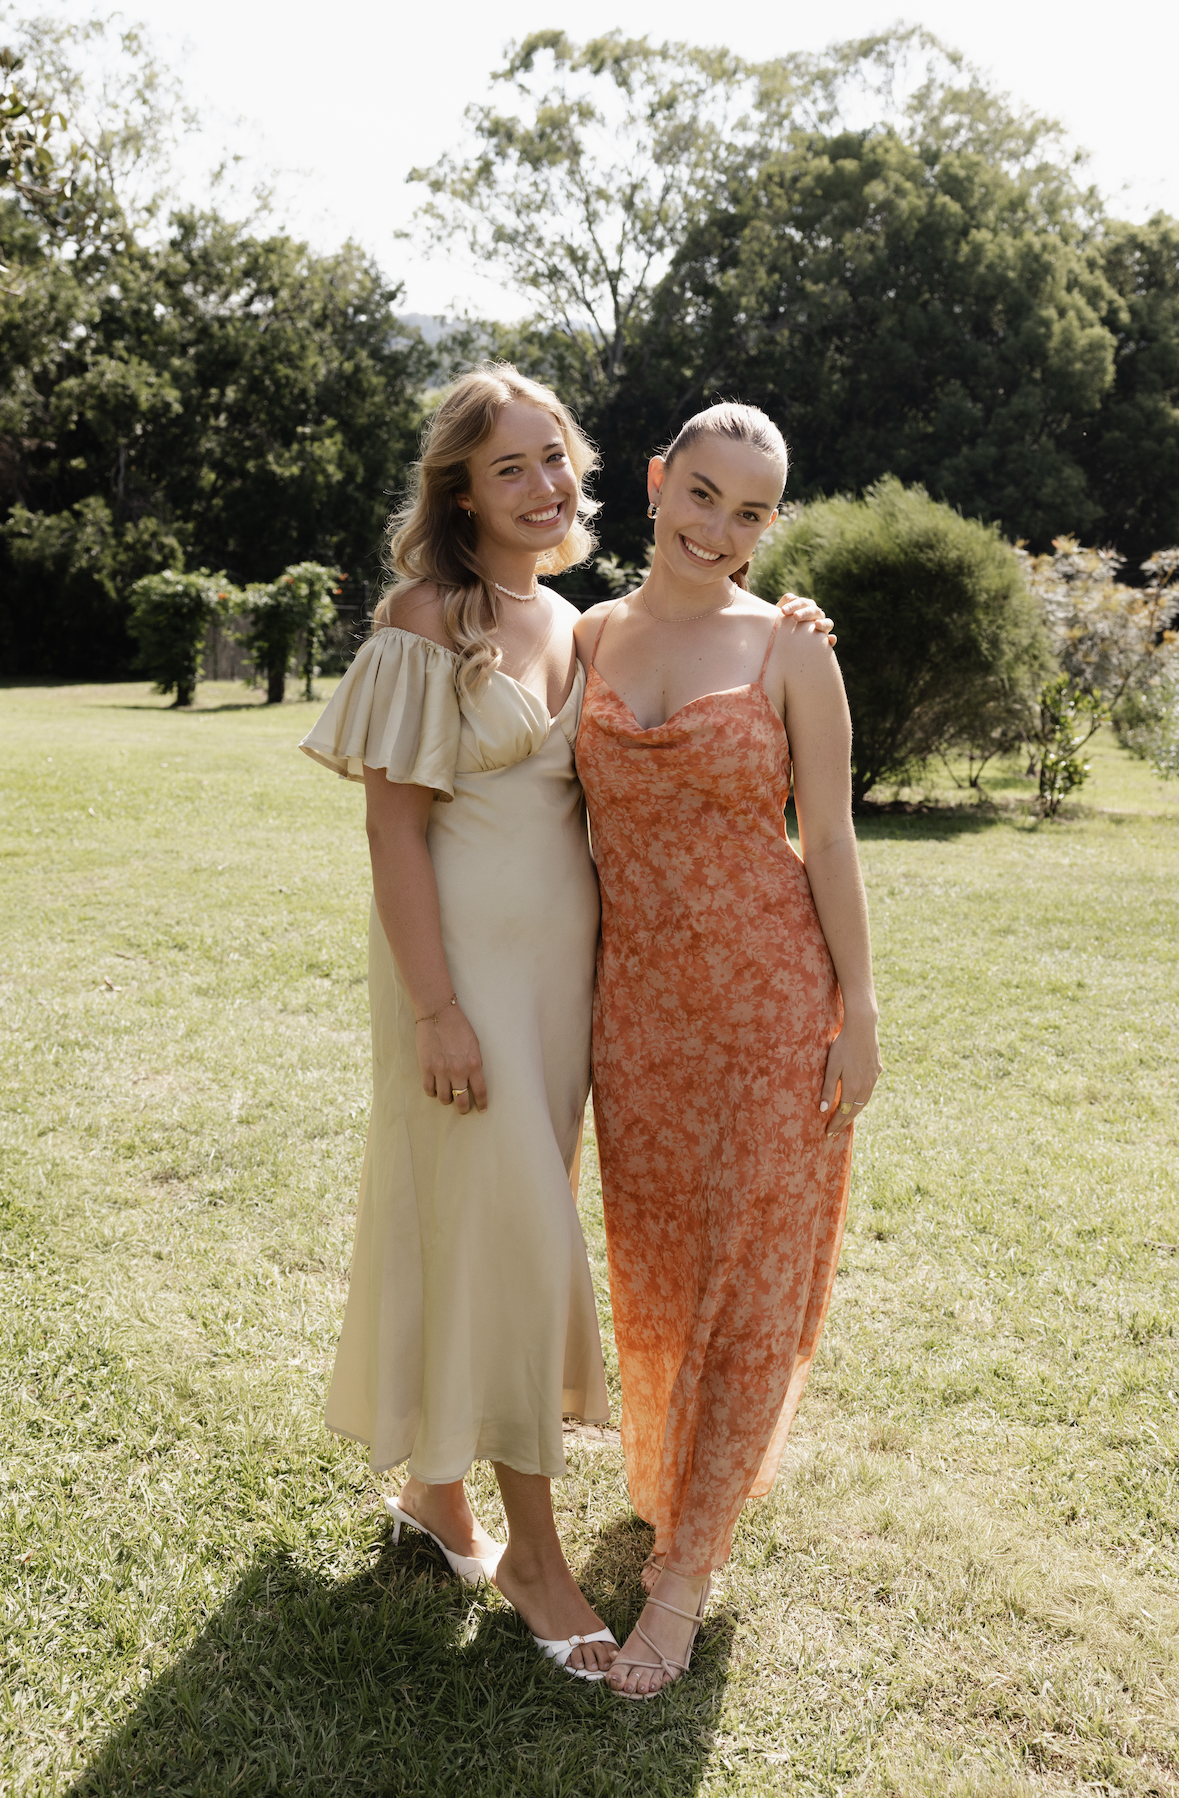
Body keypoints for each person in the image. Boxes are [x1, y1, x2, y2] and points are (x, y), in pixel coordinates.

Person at [298, 365, 619, 1677]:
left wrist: (795, 621)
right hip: (459, 982)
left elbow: (708, 637)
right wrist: (436, 1008)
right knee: (522, 1239)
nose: (542, 486)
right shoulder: (424, 619)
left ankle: (437, 1492)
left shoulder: (580, 623)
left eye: (554, 458)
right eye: (508, 468)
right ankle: (535, 1559)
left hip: (560, 986)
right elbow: (392, 833)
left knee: (489, 1234)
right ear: (462, 492)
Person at [573, 402, 881, 1698]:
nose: (716, 528)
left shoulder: (791, 648)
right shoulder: (587, 635)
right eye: (700, 493)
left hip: (770, 1007)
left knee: (747, 1281)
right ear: (656, 482)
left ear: (771, 524)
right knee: (658, 1270)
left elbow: (830, 839)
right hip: (635, 1016)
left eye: (749, 511)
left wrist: (857, 1010)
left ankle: (684, 1579)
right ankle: (676, 1489)